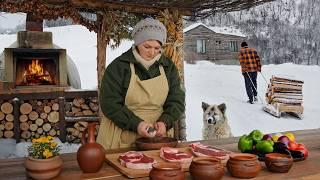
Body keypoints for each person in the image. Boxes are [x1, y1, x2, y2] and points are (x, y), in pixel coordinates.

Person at [96, 18, 185, 149]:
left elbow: (176, 99)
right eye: (147, 46)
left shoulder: (168, 67)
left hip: (158, 136)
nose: (152, 52)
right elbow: (109, 103)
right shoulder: (119, 67)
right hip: (121, 133)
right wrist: (136, 124)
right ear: (137, 43)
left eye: (157, 48)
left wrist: (165, 122)